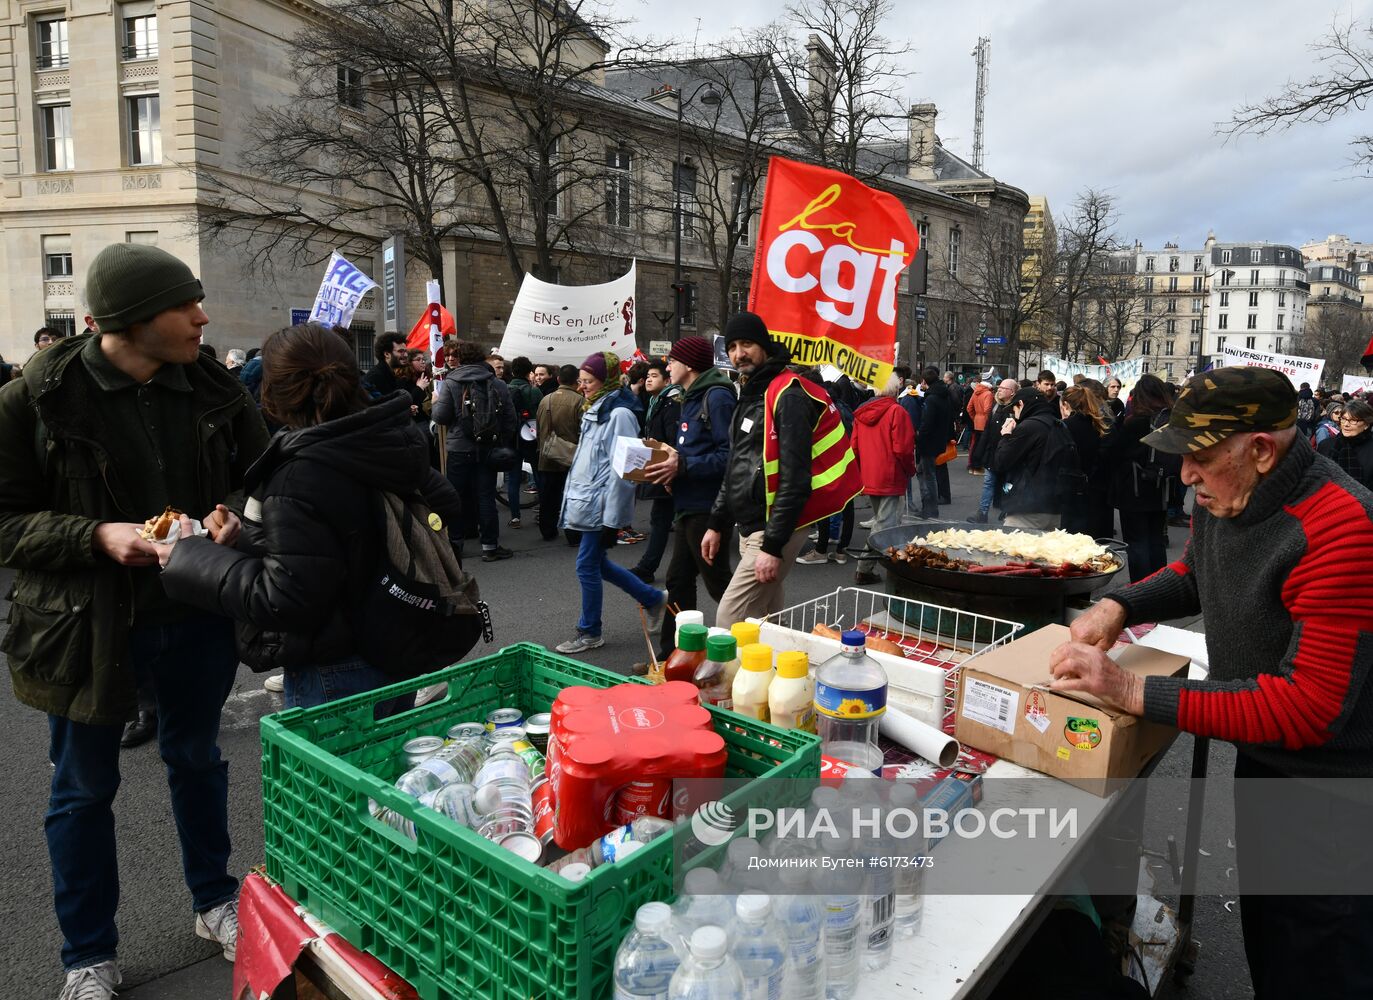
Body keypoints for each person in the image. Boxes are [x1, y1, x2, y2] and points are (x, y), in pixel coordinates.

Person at [1049, 366, 1373, 1000]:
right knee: (1272, 945)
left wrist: (1131, 691)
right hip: (1267, 770)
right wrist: (1122, 605)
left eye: (1198, 457)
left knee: (1320, 958)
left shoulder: (1341, 527)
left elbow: (1311, 707)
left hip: (1336, 797)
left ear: (1259, 449)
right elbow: (1197, 572)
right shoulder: (1233, 494)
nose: (1186, 475)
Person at [0, 243, 270, 999]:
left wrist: (236, 522)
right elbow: (6, 520)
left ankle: (214, 902)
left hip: (195, 613)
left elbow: (262, 485)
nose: (202, 317)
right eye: (184, 305)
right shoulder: (35, 399)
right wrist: (94, 536)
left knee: (197, 761)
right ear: (128, 321)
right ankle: (87, 956)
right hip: (81, 628)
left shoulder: (214, 385)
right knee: (82, 793)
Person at [160, 322, 461, 722]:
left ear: (272, 392)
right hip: (396, 645)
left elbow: (286, 599)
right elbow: (444, 504)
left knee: (332, 783)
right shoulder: (382, 436)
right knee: (382, 775)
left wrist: (189, 557)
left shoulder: (301, 474)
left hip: (336, 664)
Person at [702, 312, 860, 627]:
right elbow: (737, 465)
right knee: (766, 621)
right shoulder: (749, 393)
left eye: (746, 343)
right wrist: (717, 523)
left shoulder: (789, 394)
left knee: (729, 620)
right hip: (749, 523)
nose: (738, 353)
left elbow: (795, 478)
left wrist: (773, 546)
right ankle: (779, 673)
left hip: (773, 524)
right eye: (732, 346)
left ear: (764, 345)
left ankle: (731, 678)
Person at [555, 352, 663, 654]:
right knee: (595, 564)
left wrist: (611, 520)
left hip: (600, 506)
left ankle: (590, 631)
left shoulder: (619, 414)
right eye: (581, 381)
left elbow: (625, 473)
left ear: (605, 380)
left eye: (588, 381)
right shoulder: (600, 408)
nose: (582, 387)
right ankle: (654, 600)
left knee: (586, 565)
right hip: (591, 503)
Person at [639, 336, 736, 655]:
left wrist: (683, 465)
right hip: (688, 504)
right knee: (678, 581)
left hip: (708, 507)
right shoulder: (691, 396)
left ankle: (754, 649)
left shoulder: (717, 397)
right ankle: (675, 655)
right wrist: (673, 467)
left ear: (690, 365)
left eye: (672, 361)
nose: (667, 366)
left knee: (721, 586)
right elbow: (695, 449)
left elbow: (730, 457)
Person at [432, 340, 516, 562]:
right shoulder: (497, 383)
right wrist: (500, 441)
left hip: (458, 448)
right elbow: (510, 418)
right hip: (488, 448)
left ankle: (456, 545)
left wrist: (435, 402)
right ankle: (490, 546)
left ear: (460, 359)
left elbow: (440, 416)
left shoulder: (451, 382)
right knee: (486, 497)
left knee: (455, 496)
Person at [1100, 374, 1175, 581]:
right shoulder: (1168, 420)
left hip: (1133, 489)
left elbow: (1112, 452)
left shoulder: (1134, 422)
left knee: (1137, 542)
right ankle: (1159, 586)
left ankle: (1141, 588)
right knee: (1156, 540)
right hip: (1160, 488)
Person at [849, 374, 916, 586]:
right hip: (891, 475)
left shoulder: (861, 414)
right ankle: (865, 568)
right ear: (896, 390)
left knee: (881, 521)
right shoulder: (897, 411)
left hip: (870, 475)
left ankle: (886, 562)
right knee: (885, 525)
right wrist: (910, 470)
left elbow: (854, 448)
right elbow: (903, 449)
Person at [989, 385, 1079, 530]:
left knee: (1014, 551)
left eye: (1014, 408)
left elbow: (1001, 462)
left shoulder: (1028, 427)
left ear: (1022, 404)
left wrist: (1006, 436)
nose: (1013, 412)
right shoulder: (1059, 425)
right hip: (1055, 508)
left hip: (1026, 509)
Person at [629, 359, 682, 584]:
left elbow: (672, 440)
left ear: (667, 380)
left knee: (661, 519)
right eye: (648, 376)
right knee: (665, 519)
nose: (649, 379)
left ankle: (647, 567)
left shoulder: (672, 403)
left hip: (668, 469)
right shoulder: (656, 401)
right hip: (663, 468)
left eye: (654, 376)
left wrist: (656, 447)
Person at [536, 364, 583, 544]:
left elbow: (539, 429)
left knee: (548, 496)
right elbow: (583, 431)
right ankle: (573, 534)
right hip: (572, 456)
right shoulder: (580, 401)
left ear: (557, 379)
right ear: (576, 381)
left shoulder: (545, 400)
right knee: (571, 496)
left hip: (547, 454)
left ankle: (547, 530)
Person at [967, 378, 1019, 523]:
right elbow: (987, 431)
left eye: (1003, 388)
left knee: (1007, 485)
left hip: (1008, 456)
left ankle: (1008, 512)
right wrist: (979, 452)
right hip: (993, 454)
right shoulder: (996, 406)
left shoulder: (1017, 410)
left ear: (1012, 392)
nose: (999, 389)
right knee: (989, 483)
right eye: (999, 387)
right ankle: (982, 513)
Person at [1059, 385, 1108, 536]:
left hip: (1070, 491)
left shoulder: (1064, 427)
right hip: (1094, 489)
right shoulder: (1098, 425)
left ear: (1066, 405)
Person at [505, 356, 543, 529]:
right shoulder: (534, 391)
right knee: (538, 473)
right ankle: (543, 511)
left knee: (513, 478)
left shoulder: (505, 389)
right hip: (531, 435)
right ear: (529, 372)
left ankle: (515, 517)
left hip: (512, 437)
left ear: (513, 371)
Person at [914, 366, 955, 519]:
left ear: (924, 381)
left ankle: (929, 509)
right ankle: (930, 508)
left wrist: (918, 437)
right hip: (937, 441)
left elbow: (927, 423)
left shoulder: (931, 398)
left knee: (927, 476)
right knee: (928, 474)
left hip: (928, 443)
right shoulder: (943, 394)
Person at [1317, 398, 1373, 491]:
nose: (1346, 424)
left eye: (1353, 420)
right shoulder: (1326, 445)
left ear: (1366, 424)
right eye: (1344, 419)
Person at [965, 374, 994, 475]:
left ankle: (972, 466)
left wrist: (975, 418)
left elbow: (969, 408)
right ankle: (978, 467)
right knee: (982, 446)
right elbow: (987, 410)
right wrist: (987, 421)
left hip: (977, 420)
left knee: (975, 444)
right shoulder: (988, 394)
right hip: (985, 422)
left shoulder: (976, 392)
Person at [362, 332, 406, 398]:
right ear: (387, 354)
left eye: (405, 351)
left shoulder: (394, 375)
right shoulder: (375, 377)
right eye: (400, 351)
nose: (405, 355)